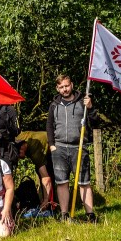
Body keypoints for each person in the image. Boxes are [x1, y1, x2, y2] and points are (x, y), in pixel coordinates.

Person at [47, 75, 96, 219]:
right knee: (62, 182)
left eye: (67, 86)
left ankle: (90, 214)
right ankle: (64, 214)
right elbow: (49, 126)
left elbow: (95, 122)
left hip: (79, 147)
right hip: (59, 148)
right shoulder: (54, 105)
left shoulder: (83, 102)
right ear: (57, 88)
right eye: (61, 87)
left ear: (72, 85)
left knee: (84, 182)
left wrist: (90, 108)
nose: (65, 89)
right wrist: (52, 145)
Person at [16, 130, 56, 211]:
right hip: (46, 145)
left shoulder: (34, 150)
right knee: (39, 172)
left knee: (49, 176)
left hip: (56, 146)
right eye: (16, 150)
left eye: (20, 150)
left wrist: (46, 201)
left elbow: (46, 178)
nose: (18, 153)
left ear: (24, 144)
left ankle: (50, 204)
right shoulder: (18, 139)